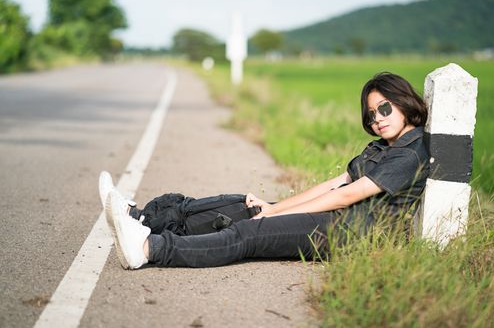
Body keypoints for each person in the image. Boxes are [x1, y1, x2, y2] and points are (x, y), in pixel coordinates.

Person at [101, 72, 430, 270]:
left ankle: (147, 249)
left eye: (384, 108)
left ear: (404, 103)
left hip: (350, 235)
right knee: (244, 207)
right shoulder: (383, 147)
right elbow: (334, 184)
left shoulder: (410, 153)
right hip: (338, 220)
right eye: (372, 114)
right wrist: (272, 208)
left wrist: (273, 218)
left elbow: (346, 197)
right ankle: (142, 219)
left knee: (248, 234)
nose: (378, 119)